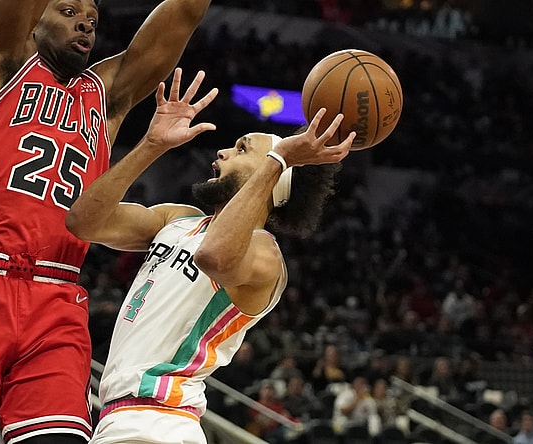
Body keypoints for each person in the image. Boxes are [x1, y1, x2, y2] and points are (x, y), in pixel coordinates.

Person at [0, 0, 213, 443]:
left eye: (92, 19)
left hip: (57, 298)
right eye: (69, 11)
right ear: (36, 21)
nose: (85, 24)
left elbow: (184, 14)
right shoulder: (3, 68)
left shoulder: (106, 96)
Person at [65, 68, 354, 443]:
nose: (222, 151)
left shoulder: (264, 253)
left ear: (273, 172)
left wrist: (280, 160)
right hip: (125, 418)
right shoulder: (178, 219)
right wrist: (152, 144)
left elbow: (213, 257)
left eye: (242, 148)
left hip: (159, 421)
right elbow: (83, 222)